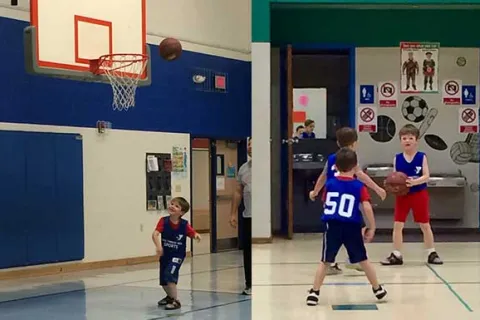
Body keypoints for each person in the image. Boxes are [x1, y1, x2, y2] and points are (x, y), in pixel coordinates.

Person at [306, 148, 387, 306]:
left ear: (335, 166)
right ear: (355, 166)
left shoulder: (329, 183)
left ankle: (314, 293)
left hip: (332, 225)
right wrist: (372, 226)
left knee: (325, 261)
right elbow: (367, 207)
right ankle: (377, 289)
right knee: (363, 259)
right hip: (352, 226)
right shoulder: (358, 186)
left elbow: (325, 203)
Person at [309, 127, 386, 274]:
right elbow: (361, 175)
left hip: (330, 197)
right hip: (346, 197)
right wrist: (377, 188)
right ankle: (353, 259)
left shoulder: (333, 157)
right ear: (355, 143)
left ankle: (333, 262)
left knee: (332, 232)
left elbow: (323, 176)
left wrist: (316, 191)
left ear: (338, 143)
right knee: (358, 226)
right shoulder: (351, 158)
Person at [381, 124, 443, 266]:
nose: (407, 140)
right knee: (397, 225)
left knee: (425, 225)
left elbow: (426, 176)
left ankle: (431, 253)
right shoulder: (397, 158)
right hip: (402, 196)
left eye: (410, 138)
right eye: (404, 138)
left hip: (419, 193)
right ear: (400, 141)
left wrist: (414, 182)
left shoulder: (421, 157)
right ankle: (396, 254)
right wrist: (393, 185)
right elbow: (396, 176)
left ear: (416, 141)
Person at [152, 197, 201, 310]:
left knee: (170, 275)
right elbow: (155, 234)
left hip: (177, 255)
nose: (172, 206)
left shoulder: (184, 224)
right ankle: (169, 296)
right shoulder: (163, 221)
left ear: (182, 212)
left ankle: (176, 301)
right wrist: (159, 247)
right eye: (172, 204)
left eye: (176, 206)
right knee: (164, 280)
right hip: (165, 255)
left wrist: (196, 235)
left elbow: (191, 232)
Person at [230, 138, 252, 295]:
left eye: (253, 144)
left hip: (262, 219)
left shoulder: (267, 166)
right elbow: (238, 192)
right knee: (248, 252)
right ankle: (249, 284)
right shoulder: (244, 168)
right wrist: (233, 213)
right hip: (248, 216)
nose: (250, 147)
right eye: (249, 145)